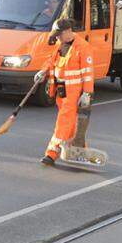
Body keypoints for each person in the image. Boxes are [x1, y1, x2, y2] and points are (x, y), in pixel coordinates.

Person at [34, 18, 94, 165]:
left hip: (74, 92)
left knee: (64, 121)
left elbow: (88, 72)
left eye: (59, 34)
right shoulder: (61, 45)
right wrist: (43, 71)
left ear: (68, 31)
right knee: (71, 123)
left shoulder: (82, 47)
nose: (58, 38)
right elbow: (52, 61)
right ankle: (78, 150)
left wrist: (87, 93)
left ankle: (52, 153)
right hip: (61, 90)